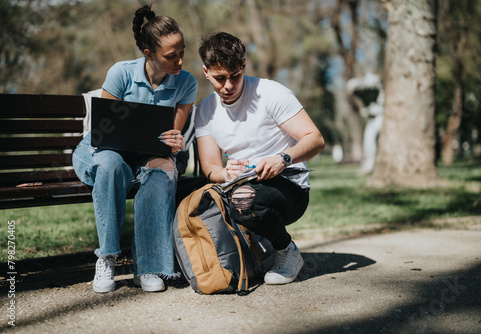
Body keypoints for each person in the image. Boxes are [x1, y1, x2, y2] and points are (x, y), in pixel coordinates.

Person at [72, 5, 197, 293]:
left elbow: (170, 138)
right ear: (149, 54)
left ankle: (149, 266)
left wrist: (175, 144)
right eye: (171, 55)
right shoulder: (121, 73)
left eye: (182, 52)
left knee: (164, 169)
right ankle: (107, 257)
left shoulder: (186, 83)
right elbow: (105, 132)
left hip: (145, 155)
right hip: (103, 150)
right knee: (111, 165)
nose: (179, 60)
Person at [195, 32, 325, 284]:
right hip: (240, 184)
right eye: (220, 79)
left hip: (289, 187)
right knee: (217, 196)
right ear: (206, 72)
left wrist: (282, 158)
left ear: (243, 66)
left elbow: (315, 139)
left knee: (244, 199)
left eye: (235, 76)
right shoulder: (205, 110)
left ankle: (286, 249)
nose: (229, 86)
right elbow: (211, 167)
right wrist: (226, 172)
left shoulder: (271, 92)